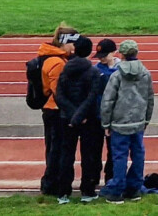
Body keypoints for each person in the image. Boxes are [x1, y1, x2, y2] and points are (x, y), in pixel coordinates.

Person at [96, 40, 153, 202]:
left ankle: (116, 190)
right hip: (138, 121)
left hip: (119, 122)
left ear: (121, 54)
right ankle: (134, 188)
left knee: (119, 156)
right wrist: (146, 119)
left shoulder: (117, 75)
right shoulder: (146, 73)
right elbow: (150, 99)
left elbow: (108, 101)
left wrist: (105, 123)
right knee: (138, 154)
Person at [56, 35, 105, 200]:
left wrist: (72, 116)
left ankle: (63, 192)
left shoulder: (65, 68)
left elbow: (60, 95)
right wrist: (79, 116)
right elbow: (92, 97)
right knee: (88, 155)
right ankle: (88, 191)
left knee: (66, 155)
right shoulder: (93, 72)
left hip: (66, 119)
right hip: (87, 119)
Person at [36, 25, 79, 199]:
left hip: (52, 108)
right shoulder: (56, 62)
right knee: (57, 149)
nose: (74, 48)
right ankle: (51, 183)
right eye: (72, 44)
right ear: (64, 43)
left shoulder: (57, 58)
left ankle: (51, 181)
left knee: (54, 148)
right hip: (55, 110)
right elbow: (58, 91)